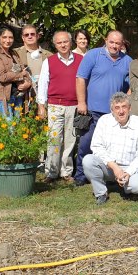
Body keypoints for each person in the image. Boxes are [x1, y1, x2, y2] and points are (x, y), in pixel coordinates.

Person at [73, 30, 132, 185]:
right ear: (106, 40)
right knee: (87, 143)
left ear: (122, 44)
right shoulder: (93, 55)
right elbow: (81, 78)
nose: (114, 45)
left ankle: (109, 175)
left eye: (117, 43)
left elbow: (132, 85)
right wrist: (81, 102)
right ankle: (80, 176)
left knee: (112, 146)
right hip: (93, 110)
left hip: (115, 113)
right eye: (111, 42)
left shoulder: (127, 61)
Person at [82, 92, 138, 204]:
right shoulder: (104, 121)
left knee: (136, 187)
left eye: (124, 107)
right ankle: (101, 193)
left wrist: (128, 172)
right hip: (108, 166)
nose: (121, 111)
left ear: (130, 108)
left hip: (129, 167)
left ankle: (125, 186)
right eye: (117, 108)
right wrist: (115, 167)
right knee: (88, 160)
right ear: (112, 110)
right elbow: (96, 147)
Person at [37, 31, 82, 183]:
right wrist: (41, 106)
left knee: (70, 140)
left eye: (65, 42)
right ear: (55, 45)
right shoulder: (49, 62)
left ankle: (66, 171)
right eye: (59, 43)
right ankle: (51, 172)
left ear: (71, 42)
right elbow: (43, 84)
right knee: (54, 139)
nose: (63, 45)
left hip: (74, 105)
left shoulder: (81, 60)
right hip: (55, 105)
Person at [0, 27, 32, 117]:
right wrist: (20, 75)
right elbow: (2, 77)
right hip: (1, 97)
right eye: (4, 37)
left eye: (10, 37)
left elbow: (25, 72)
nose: (8, 40)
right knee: (8, 127)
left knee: (17, 127)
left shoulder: (14, 53)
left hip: (16, 95)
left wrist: (28, 83)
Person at [15, 24, 52, 106]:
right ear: (22, 38)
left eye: (32, 34)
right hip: (23, 97)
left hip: (44, 96)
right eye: (26, 35)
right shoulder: (15, 53)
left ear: (38, 36)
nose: (30, 36)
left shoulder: (49, 55)